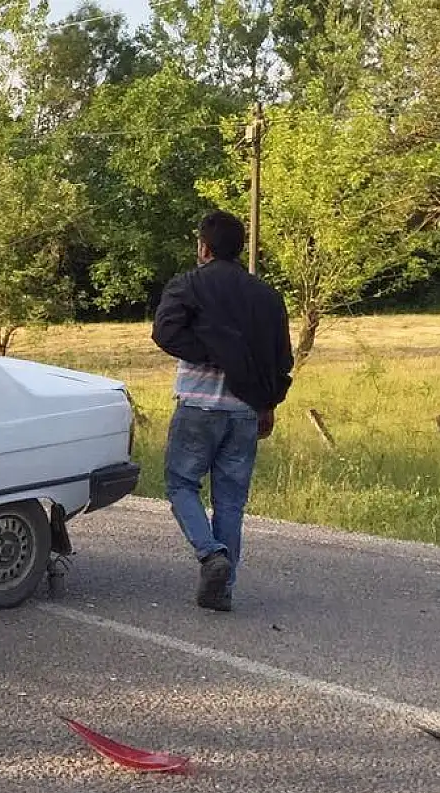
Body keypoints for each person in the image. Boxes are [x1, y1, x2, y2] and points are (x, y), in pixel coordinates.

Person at [151, 210, 294, 612]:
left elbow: (164, 333)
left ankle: (211, 554)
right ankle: (223, 588)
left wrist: (211, 353)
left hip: (198, 406)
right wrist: (267, 403)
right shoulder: (267, 296)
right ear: (240, 247)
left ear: (203, 247)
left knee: (181, 485)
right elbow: (280, 357)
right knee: (230, 501)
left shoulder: (188, 285)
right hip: (247, 411)